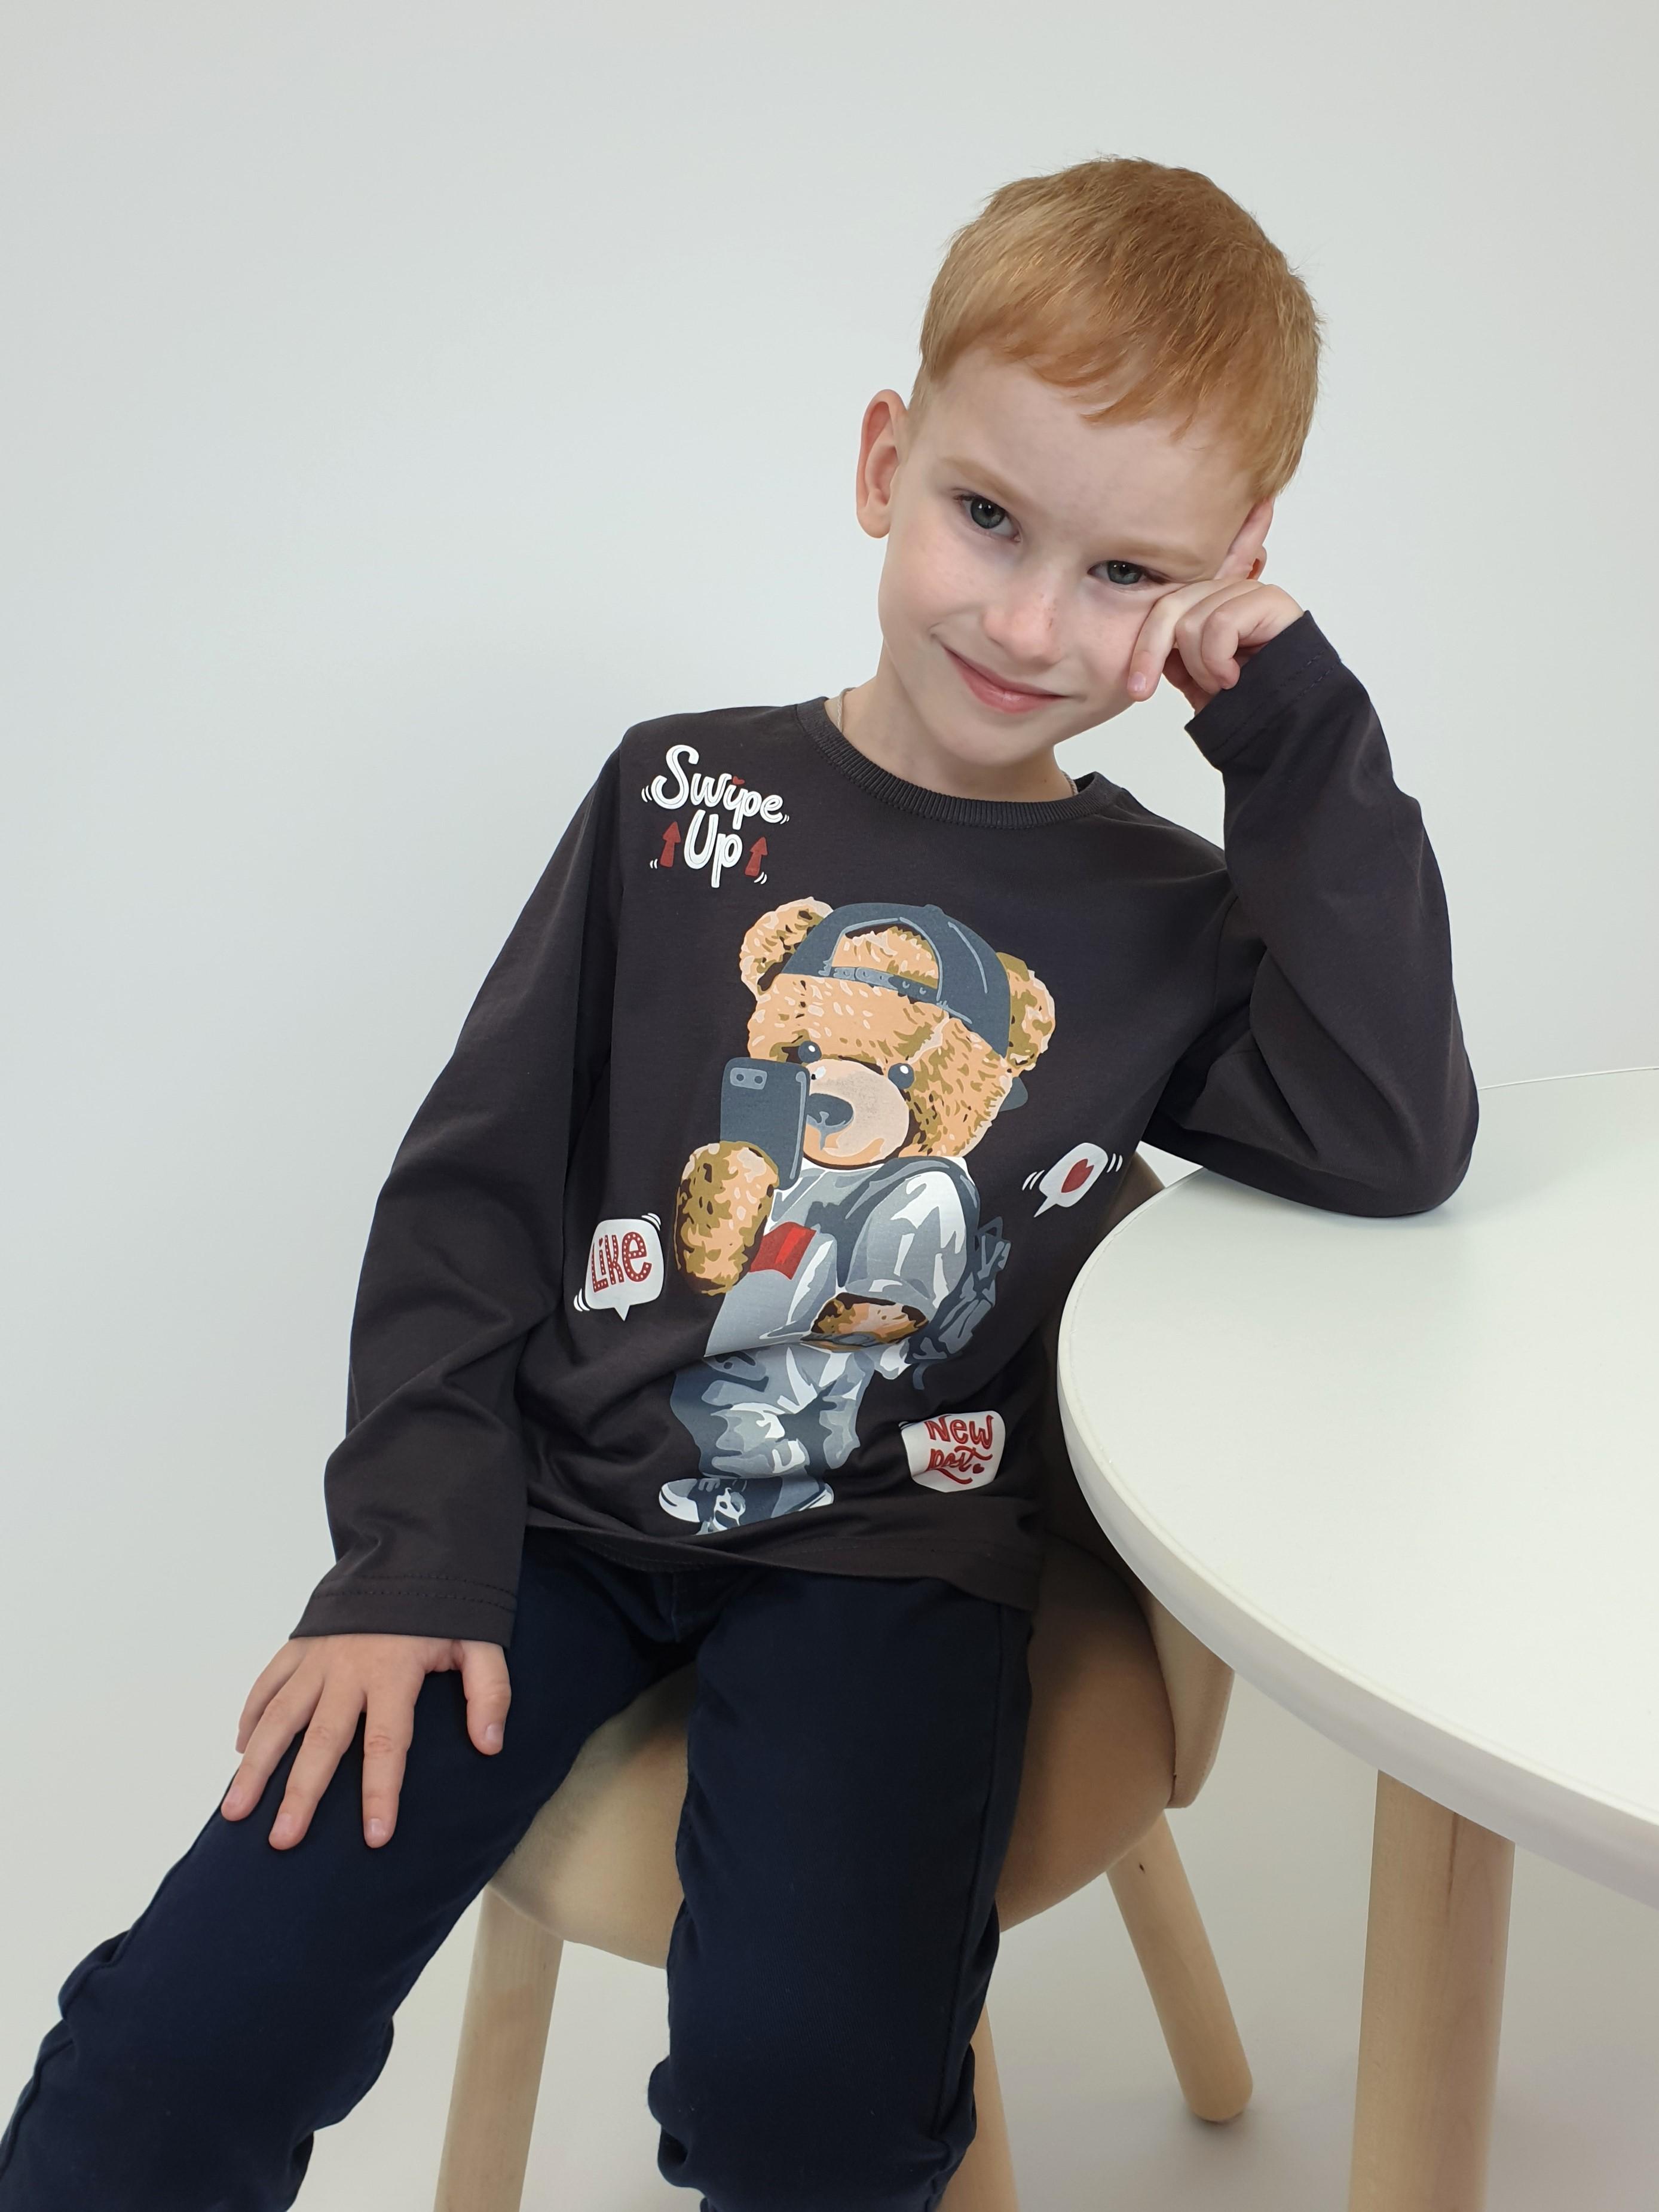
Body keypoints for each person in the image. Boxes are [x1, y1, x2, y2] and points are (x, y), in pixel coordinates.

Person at [0, 154, 1477, 2211]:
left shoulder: (1163, 915)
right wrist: (405, 1561)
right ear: (885, 462)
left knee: (810, 2092)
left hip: (896, 1561)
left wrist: (1293, 728)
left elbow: (1393, 1139)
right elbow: (471, 1196)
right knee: (182, 2032)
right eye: (989, 517)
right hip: (546, 1524)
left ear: (1226, 578)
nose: (1030, 623)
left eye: (1129, 573)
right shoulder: (676, 793)